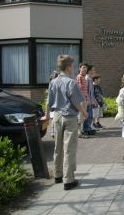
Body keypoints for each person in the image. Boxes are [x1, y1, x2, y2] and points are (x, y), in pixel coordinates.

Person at [43, 55, 87, 191]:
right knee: (69, 148)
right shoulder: (71, 82)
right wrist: (84, 112)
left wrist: (46, 116)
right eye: (72, 66)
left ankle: (57, 175)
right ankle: (68, 180)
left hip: (56, 116)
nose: (73, 68)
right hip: (69, 118)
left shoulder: (53, 82)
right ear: (68, 67)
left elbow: (48, 102)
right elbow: (76, 102)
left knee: (58, 146)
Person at [76, 63, 95, 136]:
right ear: (79, 68)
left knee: (84, 116)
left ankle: (81, 131)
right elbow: (79, 88)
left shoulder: (84, 77)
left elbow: (86, 90)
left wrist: (88, 99)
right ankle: (79, 132)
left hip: (85, 99)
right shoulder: (79, 77)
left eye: (86, 68)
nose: (85, 69)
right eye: (83, 67)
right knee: (80, 116)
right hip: (81, 99)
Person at [47, 71, 60, 138]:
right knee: (55, 119)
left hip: (53, 104)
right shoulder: (56, 84)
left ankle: (53, 132)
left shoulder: (51, 84)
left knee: (53, 119)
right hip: (56, 104)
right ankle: (54, 132)